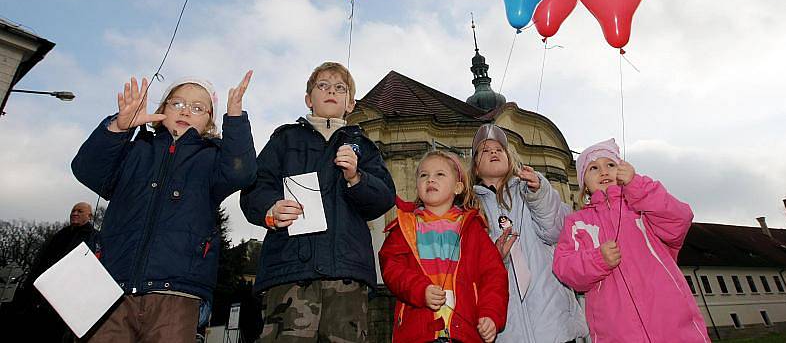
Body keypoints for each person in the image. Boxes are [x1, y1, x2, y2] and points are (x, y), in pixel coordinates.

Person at [72, 72, 257, 343]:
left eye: (197, 108)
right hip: (112, 286)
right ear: (162, 109)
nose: (186, 111)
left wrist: (235, 120)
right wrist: (118, 128)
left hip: (178, 290)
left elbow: (242, 173)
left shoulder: (213, 158)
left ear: (209, 121)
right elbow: (87, 169)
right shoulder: (134, 150)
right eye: (177, 103)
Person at [240, 62, 395, 343]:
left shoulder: (365, 147)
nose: (331, 91)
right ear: (309, 99)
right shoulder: (284, 139)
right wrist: (271, 209)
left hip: (346, 275)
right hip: (290, 272)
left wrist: (356, 177)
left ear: (350, 104)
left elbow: (384, 198)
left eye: (340, 88)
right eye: (322, 86)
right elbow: (254, 189)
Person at [552, 139, 710, 343]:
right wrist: (598, 260)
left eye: (610, 164)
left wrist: (638, 186)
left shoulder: (642, 206)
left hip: (673, 322)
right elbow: (564, 267)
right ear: (584, 186)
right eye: (593, 168)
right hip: (617, 331)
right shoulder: (577, 223)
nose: (603, 171)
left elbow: (679, 219)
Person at [470, 124, 587, 343]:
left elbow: (556, 231)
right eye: (485, 150)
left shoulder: (530, 191)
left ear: (510, 158)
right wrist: (496, 259)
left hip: (554, 322)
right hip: (507, 331)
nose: (494, 152)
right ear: (475, 168)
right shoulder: (471, 210)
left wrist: (540, 192)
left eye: (499, 149)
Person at [380, 150, 509, 343]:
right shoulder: (404, 226)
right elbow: (392, 267)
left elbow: (494, 276)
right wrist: (420, 289)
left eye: (439, 174)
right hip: (417, 331)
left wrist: (490, 314)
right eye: (424, 175)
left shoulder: (473, 229)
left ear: (458, 187)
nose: (430, 179)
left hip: (465, 331)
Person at [20, 202, 97, 342]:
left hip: (69, 299)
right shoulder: (60, 235)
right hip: (43, 296)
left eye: (80, 211)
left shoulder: (93, 238)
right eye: (73, 211)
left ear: (89, 216)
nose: (74, 213)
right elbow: (40, 262)